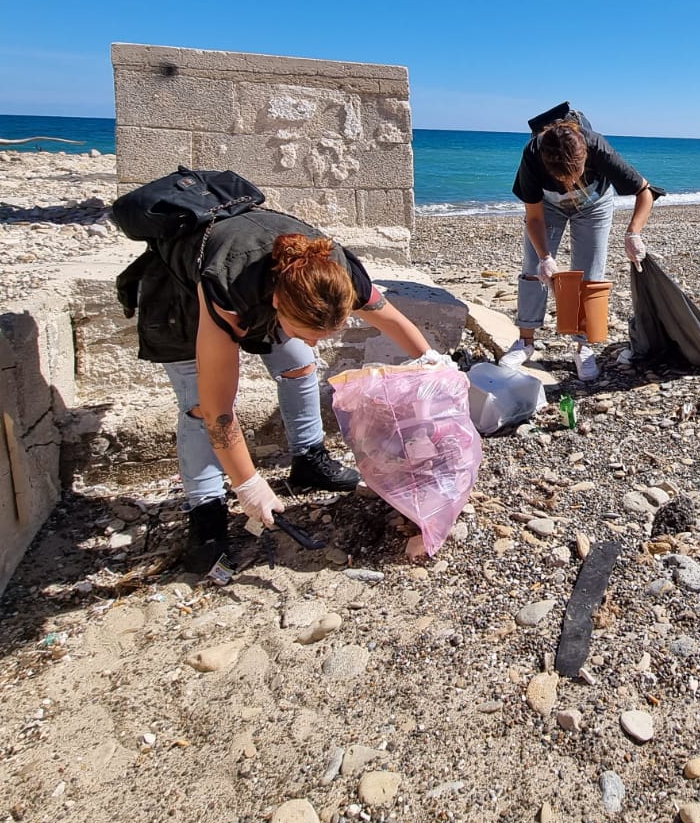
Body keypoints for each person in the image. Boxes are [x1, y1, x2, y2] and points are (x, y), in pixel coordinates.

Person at [127, 202, 441, 572]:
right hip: (180, 298)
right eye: (305, 333)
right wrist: (247, 483)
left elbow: (392, 319)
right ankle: (206, 512)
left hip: (271, 281)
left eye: (324, 335)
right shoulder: (226, 287)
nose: (314, 342)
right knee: (197, 403)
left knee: (299, 364)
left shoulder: (340, 275)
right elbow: (218, 411)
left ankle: (309, 461)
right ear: (277, 303)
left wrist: (431, 362)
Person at [503, 103, 654, 379]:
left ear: (586, 156)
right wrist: (546, 258)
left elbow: (645, 191)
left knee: (590, 273)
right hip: (549, 207)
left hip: (594, 206)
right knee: (534, 267)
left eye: (575, 175)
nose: (571, 184)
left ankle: (582, 346)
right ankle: (525, 342)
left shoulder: (598, 148)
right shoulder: (533, 156)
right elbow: (534, 218)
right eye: (564, 178)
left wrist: (633, 233)